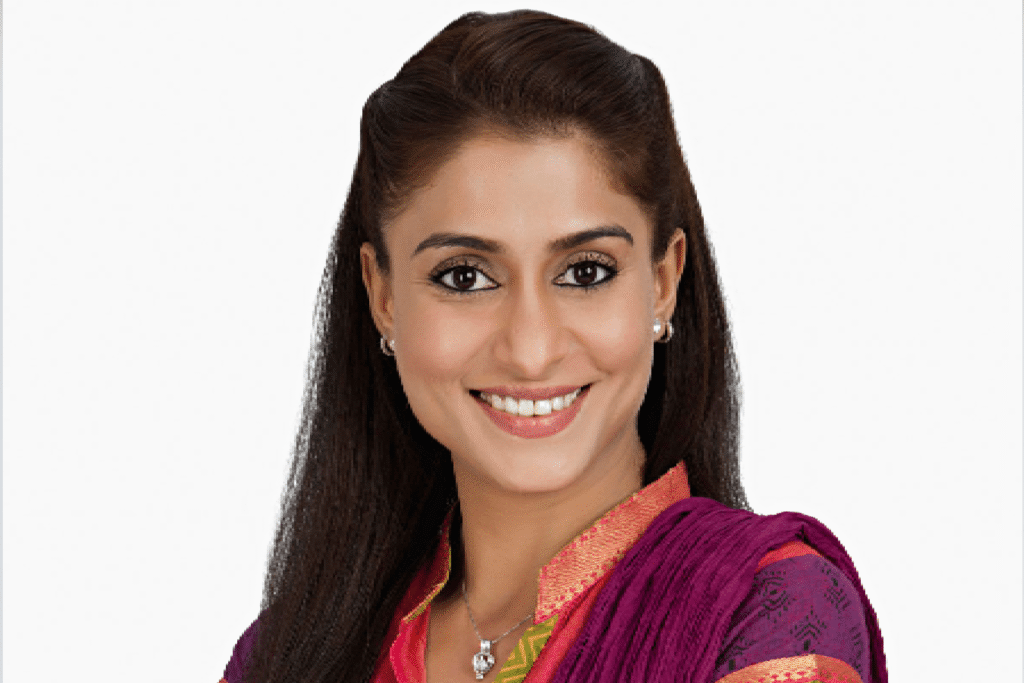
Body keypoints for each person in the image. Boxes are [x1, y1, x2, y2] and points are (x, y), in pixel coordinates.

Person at [221, 10, 886, 683]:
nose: (531, 350)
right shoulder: (289, 653)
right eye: (465, 277)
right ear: (383, 297)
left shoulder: (769, 609)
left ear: (662, 283)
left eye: (585, 273)